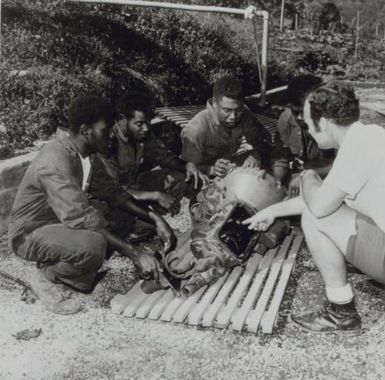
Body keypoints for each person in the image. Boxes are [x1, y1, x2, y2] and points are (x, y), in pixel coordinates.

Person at [243, 82, 385, 335]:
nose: (307, 128)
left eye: (308, 122)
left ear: (326, 122)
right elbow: (330, 198)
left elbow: (318, 208)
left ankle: (341, 313)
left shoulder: (356, 149)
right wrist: (272, 211)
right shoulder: (369, 135)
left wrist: (307, 175)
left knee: (312, 217)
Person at [8, 95, 164, 315]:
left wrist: (155, 219)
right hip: (29, 234)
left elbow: (113, 194)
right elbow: (80, 215)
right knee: (93, 244)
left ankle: (75, 268)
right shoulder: (55, 159)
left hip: (60, 222)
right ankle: (47, 276)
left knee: (120, 217)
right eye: (105, 129)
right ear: (85, 130)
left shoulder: (87, 155)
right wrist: (134, 253)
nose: (111, 135)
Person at [103, 92, 207, 217]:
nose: (146, 128)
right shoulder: (108, 142)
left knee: (179, 178)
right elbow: (111, 191)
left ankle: (152, 215)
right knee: (136, 219)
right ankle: (142, 220)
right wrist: (156, 196)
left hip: (133, 184)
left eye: (148, 123)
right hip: (111, 196)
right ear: (123, 118)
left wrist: (187, 165)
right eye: (139, 123)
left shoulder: (142, 134)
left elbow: (164, 157)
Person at [181, 76, 272, 178]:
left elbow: (263, 140)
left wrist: (256, 154)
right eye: (227, 110)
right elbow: (187, 167)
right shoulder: (196, 129)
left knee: (270, 158)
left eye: (238, 110)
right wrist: (211, 170)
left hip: (230, 165)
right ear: (215, 103)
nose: (233, 117)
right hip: (206, 175)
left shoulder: (244, 112)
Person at [271, 74, 335, 197]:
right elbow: (280, 155)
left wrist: (306, 176)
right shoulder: (286, 119)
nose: (300, 117)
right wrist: (277, 179)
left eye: (303, 111)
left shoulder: (333, 122)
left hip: (331, 177)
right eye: (295, 112)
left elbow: (343, 165)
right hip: (304, 173)